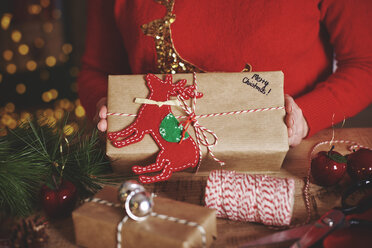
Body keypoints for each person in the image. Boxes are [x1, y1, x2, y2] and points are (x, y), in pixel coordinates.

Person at [78, 0, 372, 147]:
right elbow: (96, 70)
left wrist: (306, 116)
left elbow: (365, 63)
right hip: (156, 160)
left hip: (287, 162)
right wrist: (104, 103)